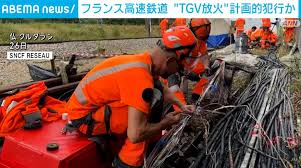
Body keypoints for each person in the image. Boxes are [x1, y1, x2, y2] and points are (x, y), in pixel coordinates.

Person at [65, 26, 197, 168]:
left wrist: (182, 105)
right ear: (170, 61)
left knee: (156, 92)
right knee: (147, 111)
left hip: (86, 107)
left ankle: (151, 143)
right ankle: (126, 162)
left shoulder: (144, 61)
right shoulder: (140, 79)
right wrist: (165, 123)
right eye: (179, 67)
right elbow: (135, 134)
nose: (176, 72)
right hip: (84, 118)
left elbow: (161, 86)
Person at [166, 18, 212, 105]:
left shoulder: (201, 39)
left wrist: (206, 67)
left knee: (207, 74)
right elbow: (171, 59)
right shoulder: (181, 37)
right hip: (175, 66)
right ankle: (178, 106)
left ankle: (196, 97)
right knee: (173, 85)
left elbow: (205, 55)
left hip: (188, 67)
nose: (200, 41)